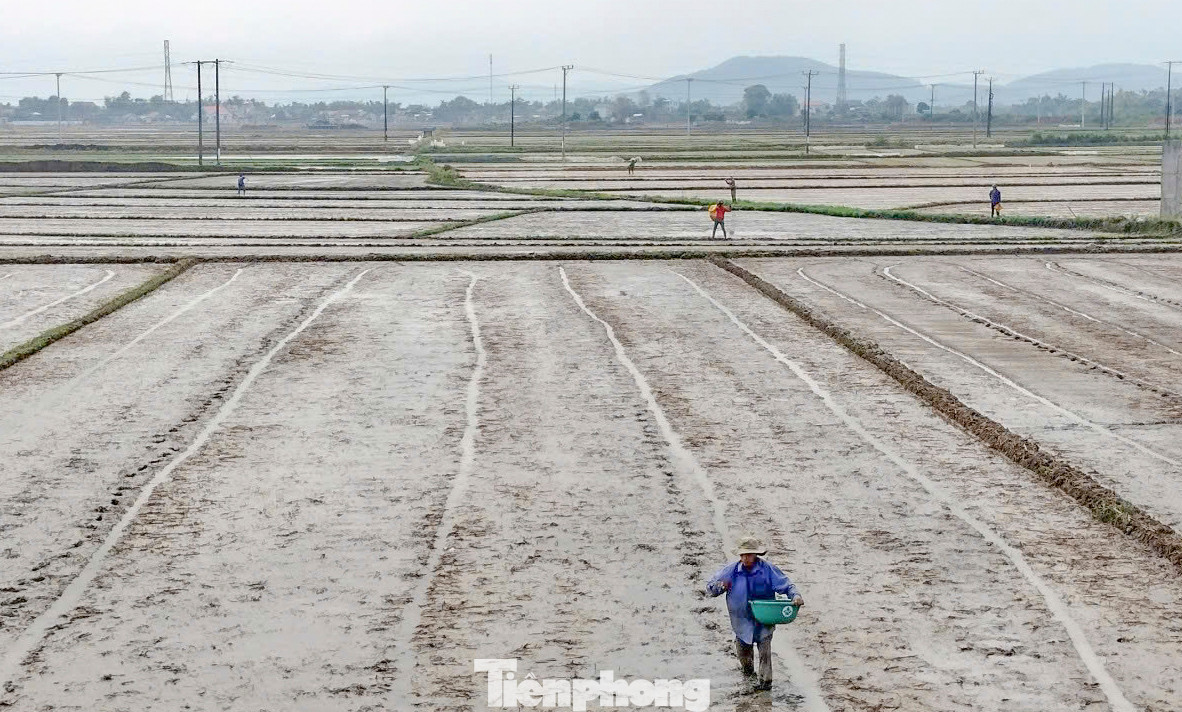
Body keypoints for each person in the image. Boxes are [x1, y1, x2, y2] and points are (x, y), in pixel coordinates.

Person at [706, 536, 803, 691]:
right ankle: (748, 676)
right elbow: (710, 588)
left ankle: (766, 685)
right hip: (741, 621)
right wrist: (721, 586)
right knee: (744, 654)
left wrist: (795, 596)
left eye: (749, 554)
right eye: (742, 555)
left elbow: (786, 585)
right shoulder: (732, 571)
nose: (745, 558)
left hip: (764, 619)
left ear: (756, 555)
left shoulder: (767, 570)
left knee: (765, 652)